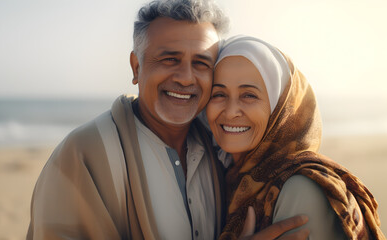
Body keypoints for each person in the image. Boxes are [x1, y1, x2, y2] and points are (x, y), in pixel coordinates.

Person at [27, 1, 309, 239]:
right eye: (170, 59)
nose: (186, 77)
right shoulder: (84, 155)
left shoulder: (220, 147)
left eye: (201, 63)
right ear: (136, 67)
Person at [205, 35, 386, 239]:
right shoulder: (225, 178)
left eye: (249, 95)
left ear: (280, 110)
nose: (230, 112)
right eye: (218, 94)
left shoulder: (299, 188)